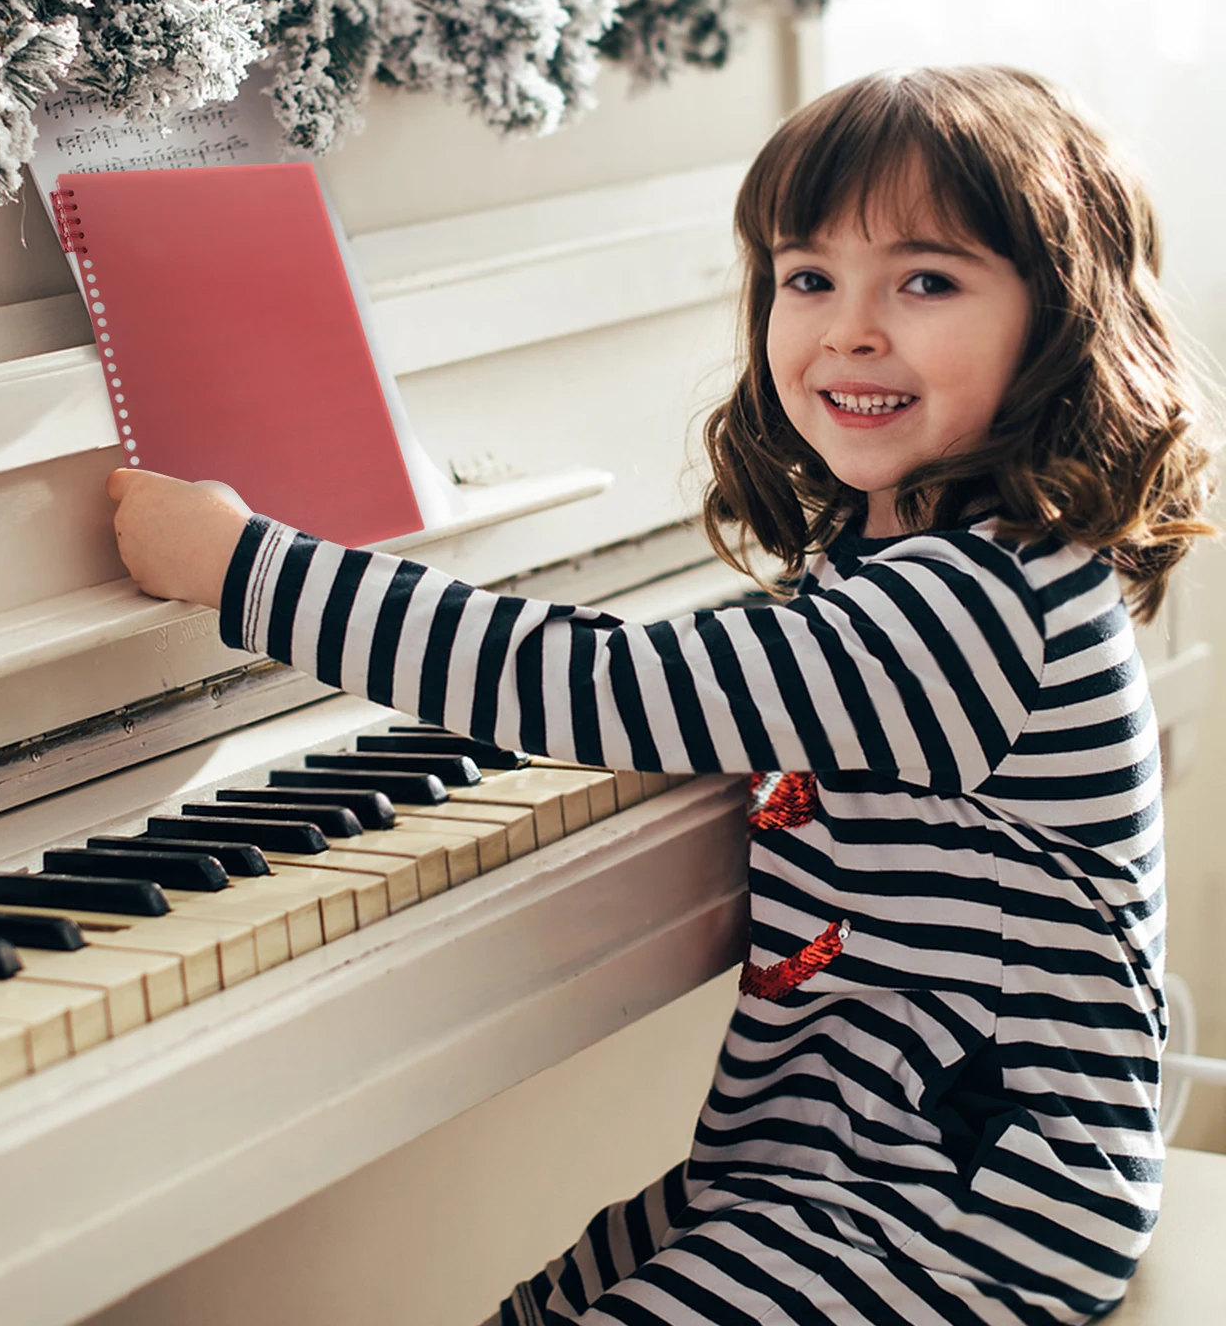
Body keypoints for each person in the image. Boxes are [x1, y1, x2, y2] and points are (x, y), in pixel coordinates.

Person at [104, 66, 1214, 1325]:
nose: (849, 327)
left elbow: (603, 683)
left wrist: (245, 565)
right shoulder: (925, 565)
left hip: (962, 1212)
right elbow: (731, 680)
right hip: (813, 1165)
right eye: (808, 278)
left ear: (1058, 321)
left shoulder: (981, 603)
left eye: (925, 280)